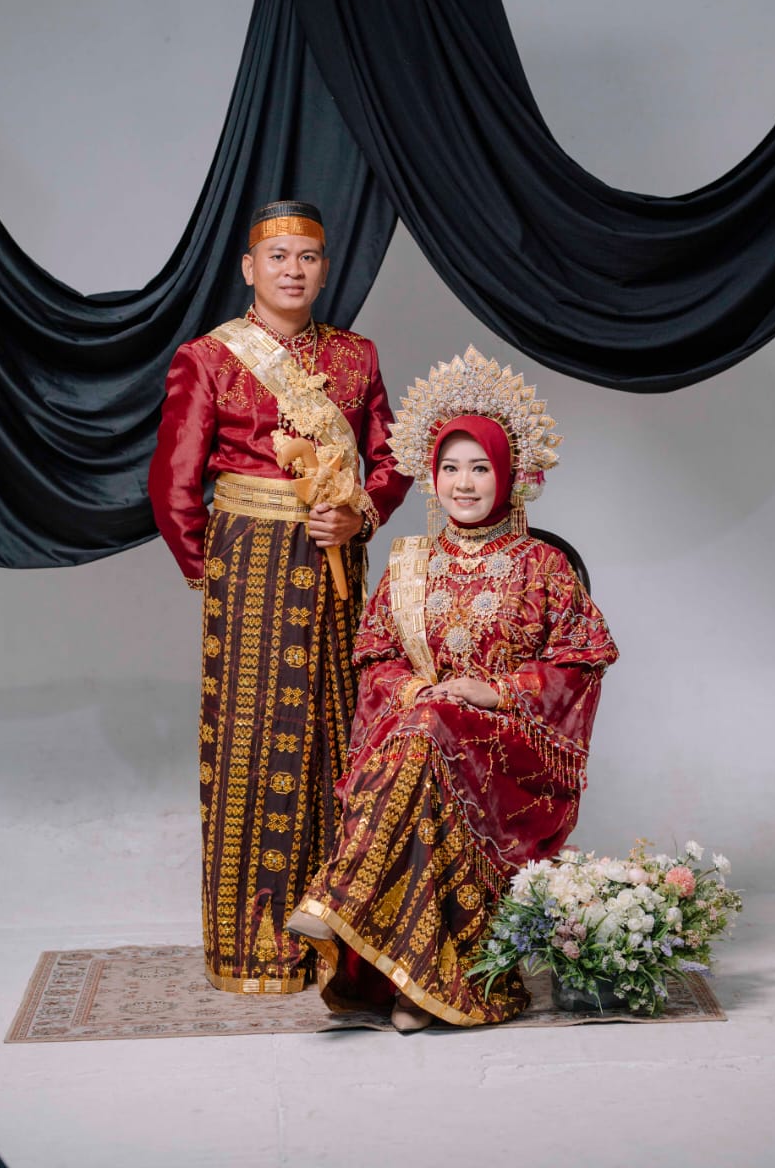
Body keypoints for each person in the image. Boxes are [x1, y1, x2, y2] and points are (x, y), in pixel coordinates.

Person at [287, 347, 618, 1029]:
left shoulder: (543, 565)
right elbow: (376, 658)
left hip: (509, 751)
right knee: (423, 733)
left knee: (427, 732)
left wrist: (497, 692)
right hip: (424, 732)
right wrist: (418, 692)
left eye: (480, 468)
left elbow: (580, 662)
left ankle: (340, 898)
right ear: (430, 476)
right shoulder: (411, 562)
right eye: (450, 468)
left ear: (509, 475)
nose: (463, 484)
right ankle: (418, 989)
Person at [148, 200, 411, 994]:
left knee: (338, 732)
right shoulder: (207, 358)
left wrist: (361, 513)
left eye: (308, 257)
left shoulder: (356, 356)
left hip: (334, 558)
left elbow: (389, 458)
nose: (293, 270)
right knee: (254, 744)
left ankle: (338, 934)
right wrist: (213, 573)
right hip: (250, 567)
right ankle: (252, 947)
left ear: (323, 270)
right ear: (248, 268)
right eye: (278, 256)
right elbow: (172, 481)